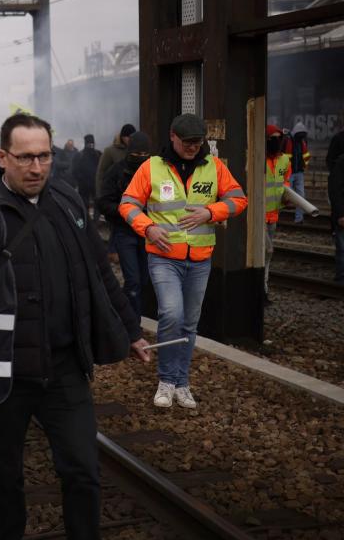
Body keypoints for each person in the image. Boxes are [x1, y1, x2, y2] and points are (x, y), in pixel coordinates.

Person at [0, 113, 148, 540]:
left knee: (82, 469)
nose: (37, 167)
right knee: (6, 475)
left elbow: (99, 268)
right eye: (25, 158)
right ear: (2, 157)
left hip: (64, 367)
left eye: (44, 156)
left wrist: (131, 329)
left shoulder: (65, 199)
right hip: (5, 374)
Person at [119, 113, 247, 409]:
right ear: (173, 137)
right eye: (187, 141)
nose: (192, 147)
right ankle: (165, 380)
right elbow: (127, 204)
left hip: (200, 259)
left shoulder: (214, 167)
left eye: (197, 141)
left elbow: (239, 199)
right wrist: (148, 227)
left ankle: (181, 383)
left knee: (189, 323)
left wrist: (211, 212)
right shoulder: (151, 167)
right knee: (172, 314)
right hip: (164, 258)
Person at [96, 131, 153, 319]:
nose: (141, 159)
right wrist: (127, 213)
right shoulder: (117, 171)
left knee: (144, 280)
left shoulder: (156, 172)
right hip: (125, 232)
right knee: (133, 281)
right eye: (137, 155)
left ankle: (136, 317)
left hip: (148, 233)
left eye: (145, 156)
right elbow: (104, 202)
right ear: (129, 152)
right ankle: (133, 324)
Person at [264, 124, 291, 300]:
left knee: (267, 255)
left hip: (273, 215)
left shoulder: (284, 161)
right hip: (257, 216)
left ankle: (263, 289)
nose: (276, 142)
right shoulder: (256, 158)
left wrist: (286, 195)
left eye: (278, 138)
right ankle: (262, 291)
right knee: (267, 251)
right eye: (272, 138)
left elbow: (285, 181)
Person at [95, 123, 136, 196]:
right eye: (127, 136)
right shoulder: (110, 151)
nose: (130, 139)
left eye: (132, 136)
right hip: (114, 193)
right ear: (122, 137)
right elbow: (101, 172)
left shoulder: (136, 151)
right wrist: (100, 194)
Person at [284, 122, 311, 223]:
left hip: (299, 172)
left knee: (300, 197)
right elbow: (286, 157)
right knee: (287, 196)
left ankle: (299, 219)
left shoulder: (301, 141)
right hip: (290, 173)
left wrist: (305, 165)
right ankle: (275, 217)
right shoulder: (289, 140)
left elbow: (306, 156)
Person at [72, 134, 100, 218]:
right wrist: (80, 180)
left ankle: (93, 222)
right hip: (85, 184)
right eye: (89, 144)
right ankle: (88, 221)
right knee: (85, 204)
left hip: (93, 183)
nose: (91, 146)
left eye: (92, 144)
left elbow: (102, 169)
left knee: (95, 203)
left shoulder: (97, 154)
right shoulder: (80, 155)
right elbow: (74, 170)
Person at [329, 147, 344, 283]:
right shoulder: (340, 164)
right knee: (342, 248)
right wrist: (340, 214)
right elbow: (335, 191)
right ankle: (341, 278)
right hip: (342, 213)